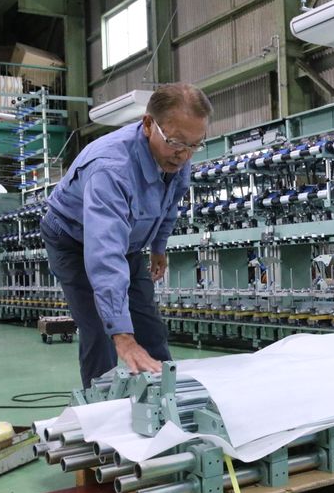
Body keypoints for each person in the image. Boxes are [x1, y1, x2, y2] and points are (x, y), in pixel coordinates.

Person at [41, 83, 212, 388]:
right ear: (148, 124)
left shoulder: (177, 156)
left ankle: (167, 395)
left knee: (150, 326)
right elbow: (105, 252)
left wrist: (158, 246)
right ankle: (101, 407)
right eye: (176, 142)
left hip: (128, 241)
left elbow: (169, 204)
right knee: (99, 330)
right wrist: (122, 335)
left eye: (194, 145)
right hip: (72, 239)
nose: (185, 155)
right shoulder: (111, 169)